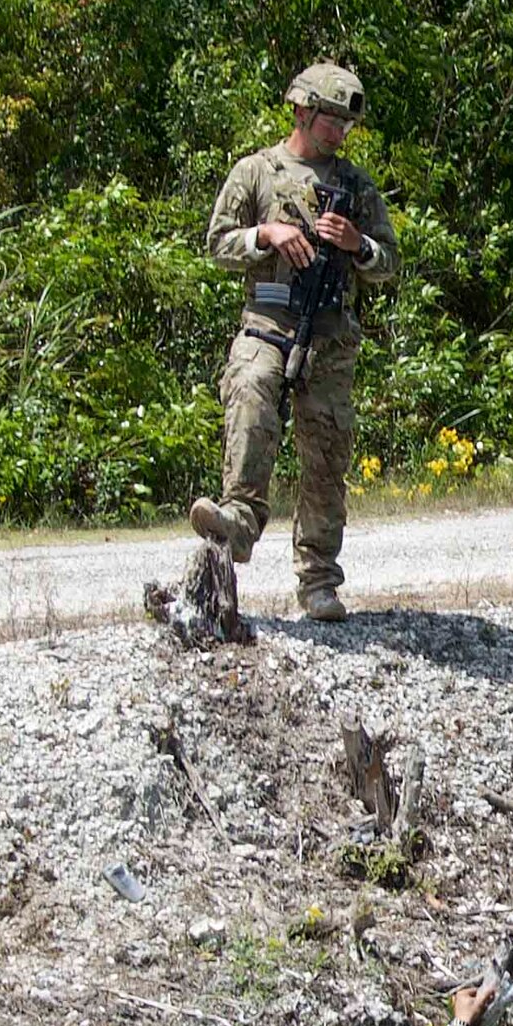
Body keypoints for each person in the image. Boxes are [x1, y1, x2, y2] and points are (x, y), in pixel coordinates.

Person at [188, 63, 400, 623]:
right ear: (303, 111)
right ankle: (238, 519)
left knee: (326, 455)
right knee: (253, 398)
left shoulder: (356, 187)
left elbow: (390, 262)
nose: (339, 133)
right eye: (331, 121)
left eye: (346, 125)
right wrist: (266, 234)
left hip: (330, 338)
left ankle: (319, 581)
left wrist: (357, 246)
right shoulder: (256, 172)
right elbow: (216, 244)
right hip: (266, 324)